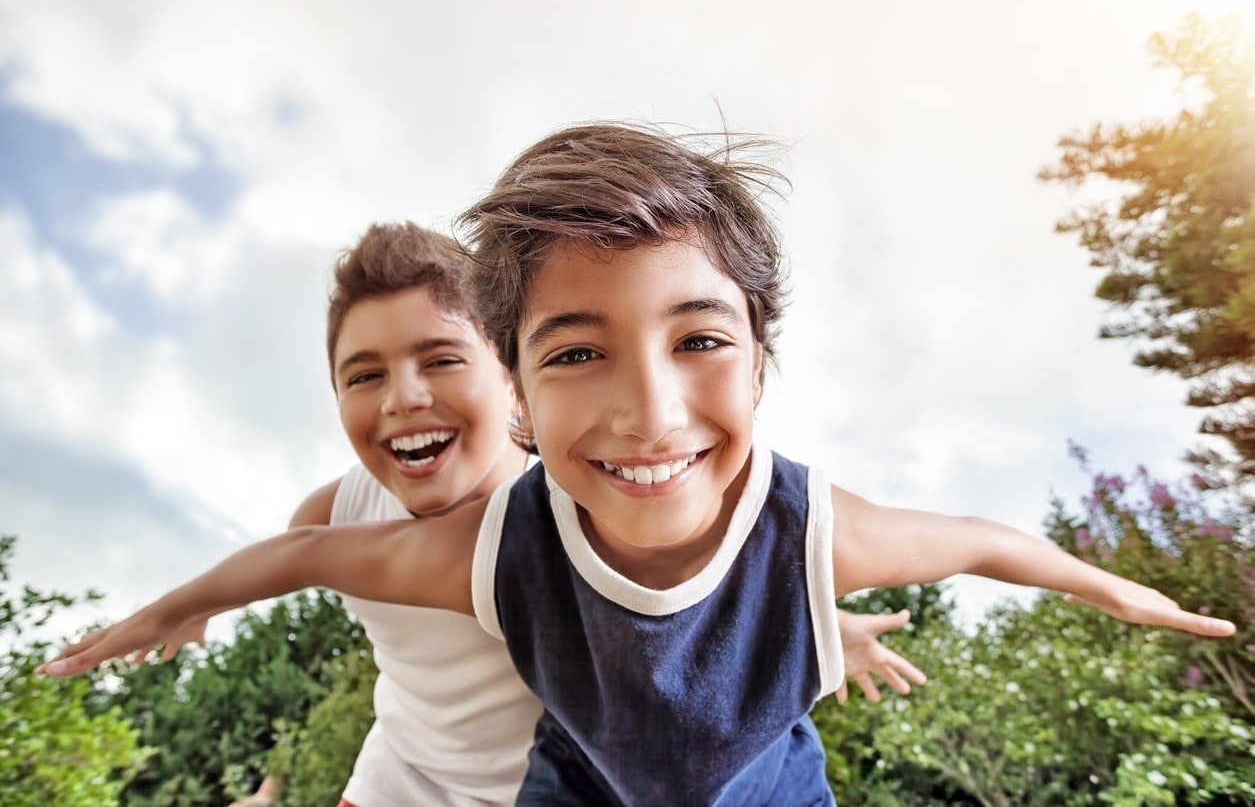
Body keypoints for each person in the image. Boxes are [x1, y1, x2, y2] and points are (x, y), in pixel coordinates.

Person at [41, 122, 1236, 806]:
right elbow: (296, 555)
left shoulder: (804, 523)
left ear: (762, 355)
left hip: (752, 776)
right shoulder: (475, 540)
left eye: (700, 341)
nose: (647, 410)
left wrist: (1113, 588)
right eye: (578, 353)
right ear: (529, 378)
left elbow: (980, 538)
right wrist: (179, 606)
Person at [146, 221, 926, 807]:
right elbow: (287, 566)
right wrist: (205, 600)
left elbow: (718, 591)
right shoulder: (333, 512)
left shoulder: (592, 496)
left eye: (441, 359)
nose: (403, 398)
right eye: (364, 374)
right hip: (401, 784)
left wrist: (814, 626)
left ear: (511, 376)